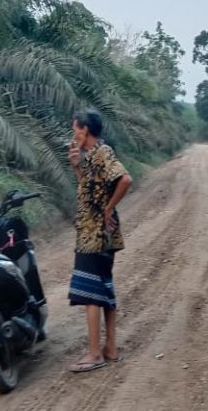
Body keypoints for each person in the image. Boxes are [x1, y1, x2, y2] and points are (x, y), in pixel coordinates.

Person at [66, 110, 133, 373]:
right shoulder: (91, 157)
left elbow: (125, 179)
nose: (74, 135)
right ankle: (110, 349)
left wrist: (108, 209)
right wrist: (76, 166)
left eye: (75, 130)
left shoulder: (102, 153)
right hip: (97, 233)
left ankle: (95, 354)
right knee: (104, 288)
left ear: (85, 130)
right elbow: (89, 191)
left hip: (95, 235)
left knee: (91, 293)